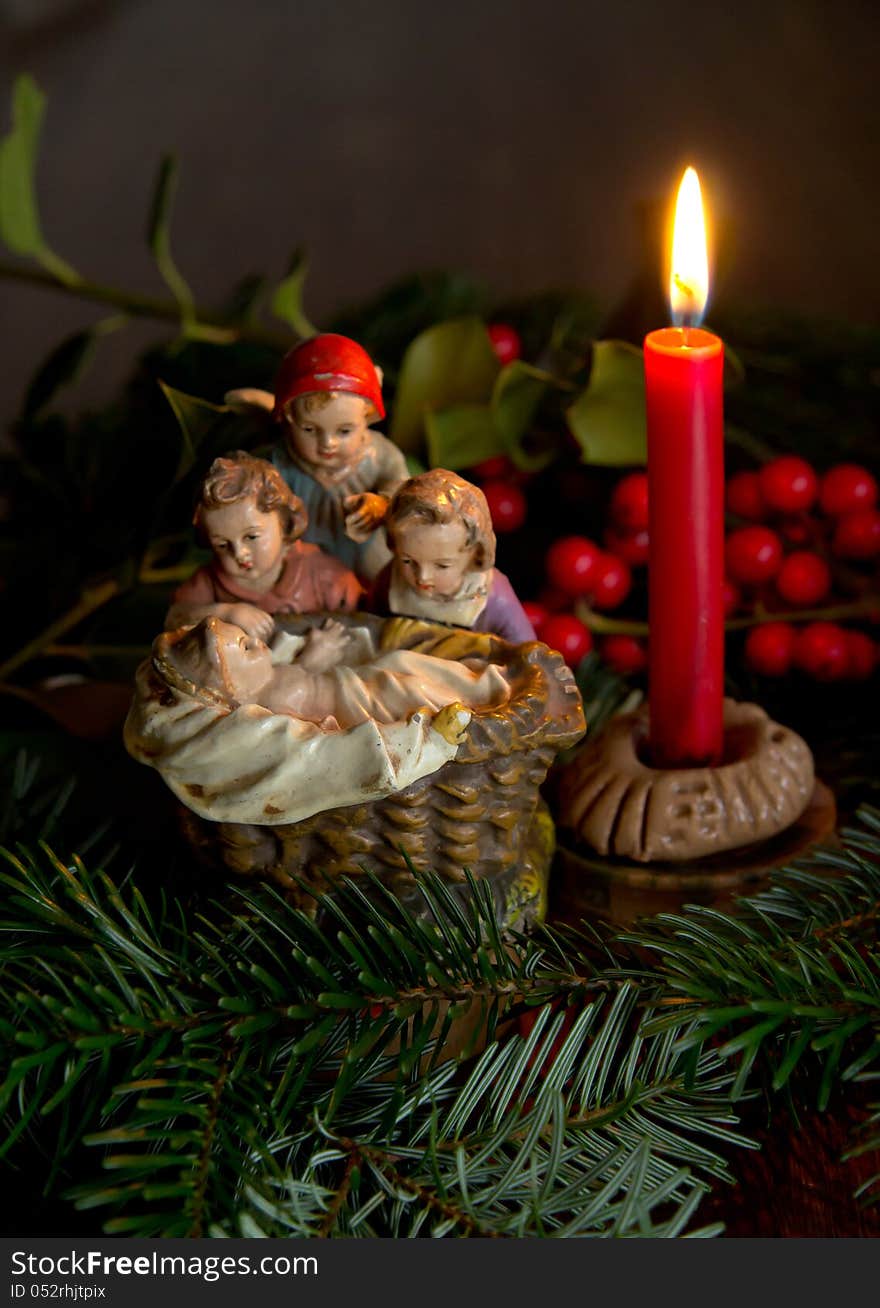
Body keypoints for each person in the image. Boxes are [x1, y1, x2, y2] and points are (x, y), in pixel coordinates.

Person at [226, 334, 408, 582]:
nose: (328, 443)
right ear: (289, 419)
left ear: (367, 417)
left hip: (366, 562)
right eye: (309, 430)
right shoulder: (279, 463)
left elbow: (403, 488)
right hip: (301, 571)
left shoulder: (380, 455)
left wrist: (381, 504)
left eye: (344, 431)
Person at [153, 615, 510, 732]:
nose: (258, 644)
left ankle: (481, 682)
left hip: (352, 677)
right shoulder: (267, 706)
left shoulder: (270, 675)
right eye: (247, 649)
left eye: (248, 638)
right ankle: (473, 711)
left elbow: (304, 670)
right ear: (232, 685)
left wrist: (318, 649)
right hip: (357, 704)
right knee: (408, 691)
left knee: (401, 660)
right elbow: (310, 733)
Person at [165, 451, 363, 639]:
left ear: (284, 523)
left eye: (251, 537)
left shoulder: (323, 574)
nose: (240, 553)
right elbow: (175, 619)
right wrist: (223, 613)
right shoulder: (210, 582)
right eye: (223, 545)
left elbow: (363, 623)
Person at [367, 469, 537, 644]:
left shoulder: (494, 599)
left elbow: (526, 651)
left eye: (442, 565)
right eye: (408, 561)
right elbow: (368, 628)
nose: (423, 577)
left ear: (476, 553)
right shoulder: (390, 582)